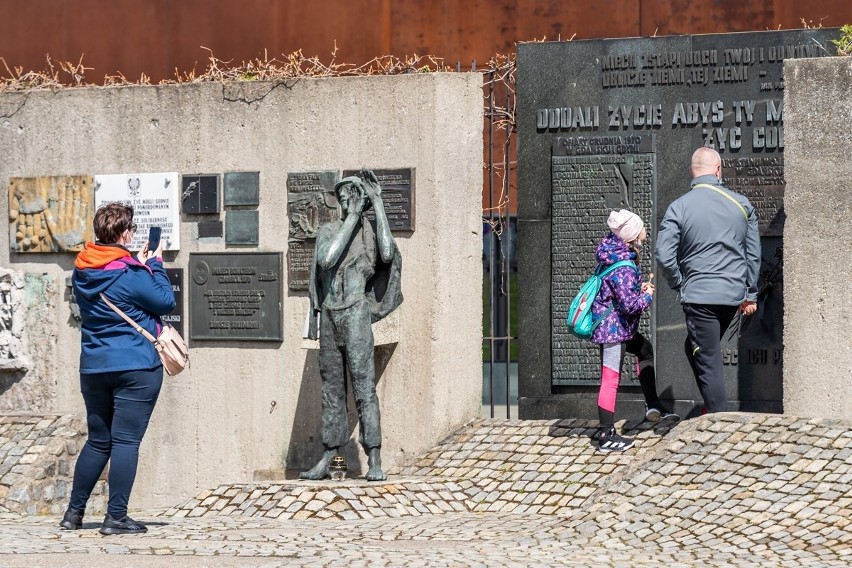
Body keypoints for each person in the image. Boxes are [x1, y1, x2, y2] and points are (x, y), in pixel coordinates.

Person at [60, 203, 175, 535]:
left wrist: (137, 264)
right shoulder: (130, 272)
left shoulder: (83, 270)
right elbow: (165, 301)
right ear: (125, 233)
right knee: (126, 441)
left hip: (94, 366)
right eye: (131, 229)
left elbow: (118, 287)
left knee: (98, 440)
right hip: (135, 366)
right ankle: (116, 517)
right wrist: (154, 263)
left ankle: (73, 514)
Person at [301, 170, 402, 481]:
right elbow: (327, 260)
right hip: (330, 315)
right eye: (342, 197)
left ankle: (374, 457)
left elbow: (387, 252)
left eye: (352, 196)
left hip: (356, 314)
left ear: (361, 200)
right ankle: (329, 455)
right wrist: (351, 218)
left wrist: (379, 202)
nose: (346, 200)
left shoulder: (369, 234)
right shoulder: (330, 230)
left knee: (363, 387)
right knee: (332, 389)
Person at [655, 147, 761, 413]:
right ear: (718, 169)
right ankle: (712, 407)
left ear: (692, 172)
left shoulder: (678, 207)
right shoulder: (743, 204)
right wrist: (750, 293)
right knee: (696, 346)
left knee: (709, 359)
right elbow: (753, 254)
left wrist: (679, 283)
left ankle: (719, 422)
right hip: (732, 296)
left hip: (699, 298)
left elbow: (664, 254)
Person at [590, 209, 679, 453]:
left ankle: (653, 405)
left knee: (645, 351)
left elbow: (618, 295)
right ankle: (606, 435)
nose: (645, 231)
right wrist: (647, 295)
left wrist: (638, 290)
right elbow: (630, 305)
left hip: (619, 329)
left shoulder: (614, 255)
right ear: (631, 236)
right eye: (641, 228)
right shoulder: (624, 266)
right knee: (610, 380)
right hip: (612, 332)